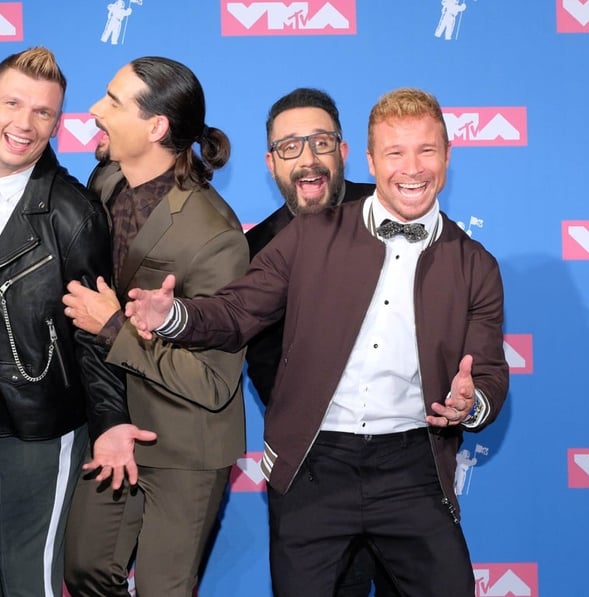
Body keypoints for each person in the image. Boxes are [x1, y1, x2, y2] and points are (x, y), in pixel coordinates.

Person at [124, 87, 509, 596]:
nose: (412, 168)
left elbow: (488, 371)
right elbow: (238, 310)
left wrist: (471, 403)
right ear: (370, 160)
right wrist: (172, 314)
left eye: (426, 150)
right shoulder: (309, 235)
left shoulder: (475, 263)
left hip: (414, 468)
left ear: (447, 156)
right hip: (313, 464)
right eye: (395, 152)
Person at [0, 47, 123, 597]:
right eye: (13, 104)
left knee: (30, 586)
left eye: (43, 113)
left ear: (58, 123)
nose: (25, 123)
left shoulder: (73, 212)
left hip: (40, 429)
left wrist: (110, 424)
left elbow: (95, 334)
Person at [60, 56, 248, 597]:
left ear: (156, 126)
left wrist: (114, 326)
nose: (95, 110)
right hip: (118, 429)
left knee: (164, 591)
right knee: (87, 569)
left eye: (113, 102)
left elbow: (213, 382)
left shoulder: (215, 234)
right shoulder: (107, 179)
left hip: (186, 444)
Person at [247, 87, 397, 597]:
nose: (308, 159)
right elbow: (265, 365)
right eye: (290, 147)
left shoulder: (397, 216)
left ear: (344, 151)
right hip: (314, 468)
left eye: (320, 143)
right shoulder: (256, 249)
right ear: (271, 163)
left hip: (404, 465)